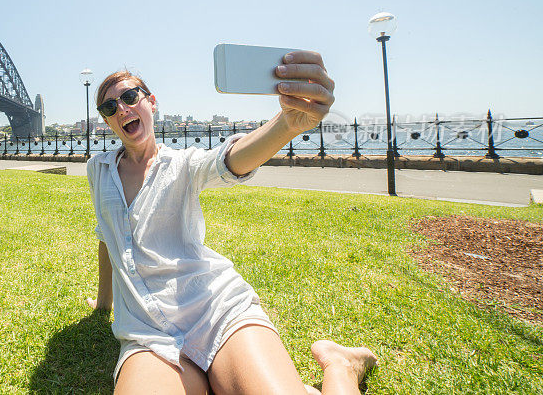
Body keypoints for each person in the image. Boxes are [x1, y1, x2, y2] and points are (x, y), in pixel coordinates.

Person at [86, 51, 376, 395]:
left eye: (130, 97)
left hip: (217, 312)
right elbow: (108, 236)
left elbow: (226, 161)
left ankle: (341, 366)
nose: (121, 108)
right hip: (149, 337)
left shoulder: (181, 164)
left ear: (151, 102)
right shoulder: (99, 170)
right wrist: (105, 303)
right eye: (109, 107)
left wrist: (287, 124)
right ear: (107, 121)